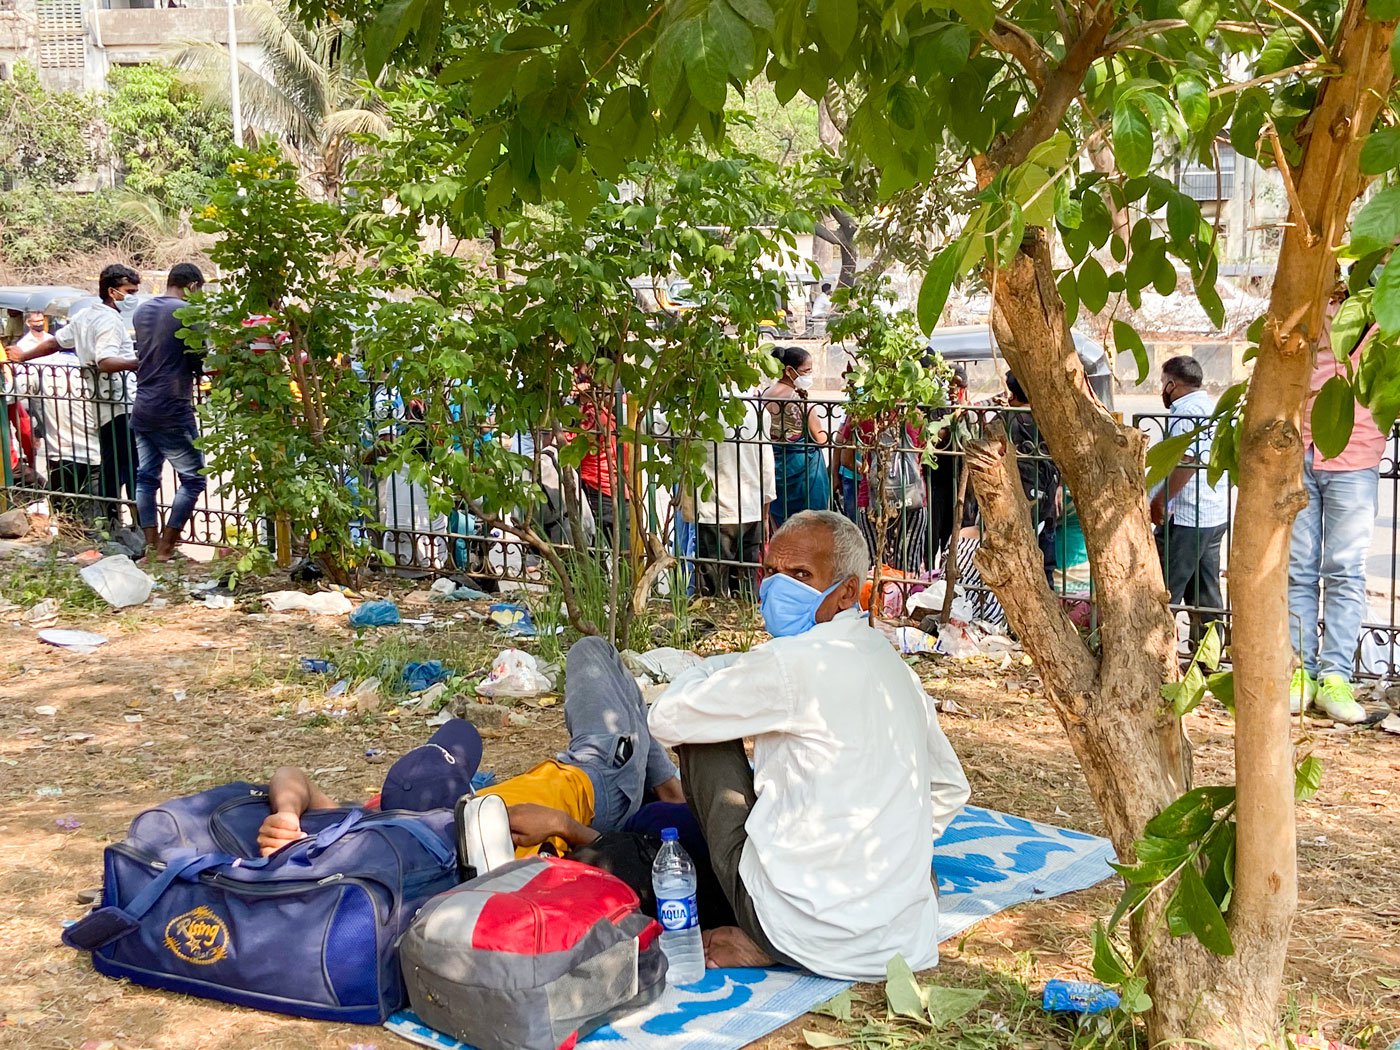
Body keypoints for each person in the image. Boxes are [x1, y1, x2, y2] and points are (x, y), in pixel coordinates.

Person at [648, 510, 969, 978]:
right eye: (774, 572)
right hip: (902, 940)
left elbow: (667, 717)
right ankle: (830, 914)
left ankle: (770, 939)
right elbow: (949, 788)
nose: (780, 588)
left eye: (801, 575)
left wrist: (725, 666)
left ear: (845, 593)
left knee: (701, 733)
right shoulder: (894, 667)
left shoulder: (788, 662)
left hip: (802, 929)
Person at [257, 637, 685, 857]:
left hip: (574, 772)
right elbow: (601, 855)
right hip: (600, 783)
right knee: (592, 653)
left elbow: (291, 777)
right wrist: (562, 825)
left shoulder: (381, 817)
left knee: (464, 732)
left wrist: (287, 813)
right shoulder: (478, 859)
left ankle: (663, 784)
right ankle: (668, 789)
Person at [1287, 298, 1385, 724]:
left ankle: (1335, 678)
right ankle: (1301, 673)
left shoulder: (1386, 300)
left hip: (1357, 452)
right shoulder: (1310, 288)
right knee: (1297, 569)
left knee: (1345, 570)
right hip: (1299, 448)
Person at [9, 265, 142, 526]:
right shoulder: (110, 321)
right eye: (130, 291)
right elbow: (105, 360)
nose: (133, 297)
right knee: (132, 470)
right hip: (120, 402)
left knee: (113, 468)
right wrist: (140, 362)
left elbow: (56, 342)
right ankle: (132, 527)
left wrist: (24, 356)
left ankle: (111, 523)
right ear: (113, 292)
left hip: (101, 403)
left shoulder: (86, 315)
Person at [1149, 356, 1229, 644]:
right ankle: (1206, 658)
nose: (1163, 390)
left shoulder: (1186, 412)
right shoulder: (1211, 407)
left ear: (1172, 383)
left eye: (1163, 383)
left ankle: (1154, 654)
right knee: (1205, 595)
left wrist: (1159, 500)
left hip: (1187, 517)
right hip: (1212, 515)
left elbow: (1186, 460)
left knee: (1163, 589)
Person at [131, 263, 208, 561]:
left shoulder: (142, 312)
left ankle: (151, 547)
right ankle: (166, 548)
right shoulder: (188, 313)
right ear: (192, 286)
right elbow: (200, 361)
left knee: (147, 478)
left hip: (143, 404)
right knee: (194, 479)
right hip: (172, 406)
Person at [691, 387, 775, 598]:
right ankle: (746, 624)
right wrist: (765, 512)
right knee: (746, 583)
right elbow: (767, 463)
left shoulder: (701, 409)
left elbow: (656, 425)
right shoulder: (757, 410)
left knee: (712, 587)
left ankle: (715, 626)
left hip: (715, 510)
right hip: (750, 507)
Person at [1005, 371, 1061, 587]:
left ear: (1012, 394)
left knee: (1017, 563)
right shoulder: (1050, 419)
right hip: (1047, 502)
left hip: (1018, 503)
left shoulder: (1007, 419)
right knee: (1046, 563)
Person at [763, 346, 830, 526]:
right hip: (804, 475)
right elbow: (821, 438)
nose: (809, 375)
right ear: (789, 371)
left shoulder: (765, 395)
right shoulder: (799, 400)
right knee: (810, 526)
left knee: (783, 527)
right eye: (806, 371)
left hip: (776, 468)